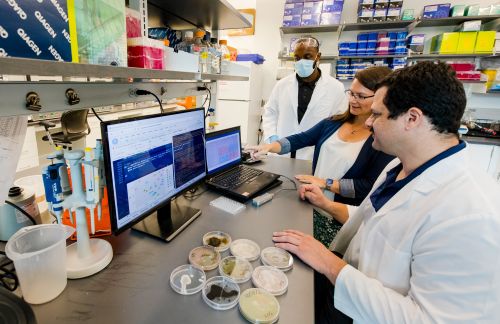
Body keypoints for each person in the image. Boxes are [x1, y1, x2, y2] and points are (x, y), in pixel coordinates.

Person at [273, 61, 500, 323]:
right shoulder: (400, 164)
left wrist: (329, 263)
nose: (368, 122)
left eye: (378, 114)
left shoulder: (472, 216)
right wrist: (325, 203)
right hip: (347, 288)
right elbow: (377, 221)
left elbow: (428, 319)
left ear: (412, 119)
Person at [249, 66, 395, 247]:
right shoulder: (333, 123)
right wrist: (270, 145)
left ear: (380, 98)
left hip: (335, 217)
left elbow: (367, 186)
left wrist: (325, 183)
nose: (353, 100)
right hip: (310, 204)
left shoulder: (381, 138)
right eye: (351, 93)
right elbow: (300, 139)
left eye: (361, 96)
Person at [262, 37, 347, 160]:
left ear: (318, 57)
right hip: (281, 151)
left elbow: (339, 121)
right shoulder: (282, 84)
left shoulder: (335, 87)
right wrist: (272, 137)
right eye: (297, 58)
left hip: (312, 154)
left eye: (307, 56)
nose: (301, 61)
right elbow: (270, 112)